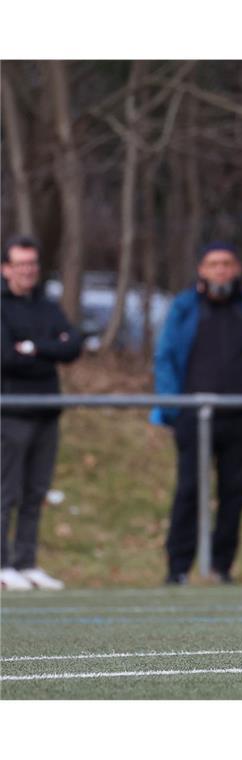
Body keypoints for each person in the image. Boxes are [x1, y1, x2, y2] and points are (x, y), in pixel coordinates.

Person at [151, 242, 242, 585]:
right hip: (193, 417)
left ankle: (221, 567)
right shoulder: (184, 307)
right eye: (213, 264)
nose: (220, 270)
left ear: (237, 268)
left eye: (226, 263)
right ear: (201, 269)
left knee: (234, 495)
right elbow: (164, 357)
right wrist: (172, 408)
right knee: (189, 491)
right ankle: (177, 568)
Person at [1, 236, 82, 591]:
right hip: (11, 411)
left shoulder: (48, 306)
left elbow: (73, 346)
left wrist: (33, 347)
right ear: (6, 269)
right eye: (21, 264)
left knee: (36, 492)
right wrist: (48, 351)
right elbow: (7, 357)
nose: (28, 270)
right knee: (7, 491)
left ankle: (27, 562)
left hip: (47, 411)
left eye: (32, 264)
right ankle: (3, 565)